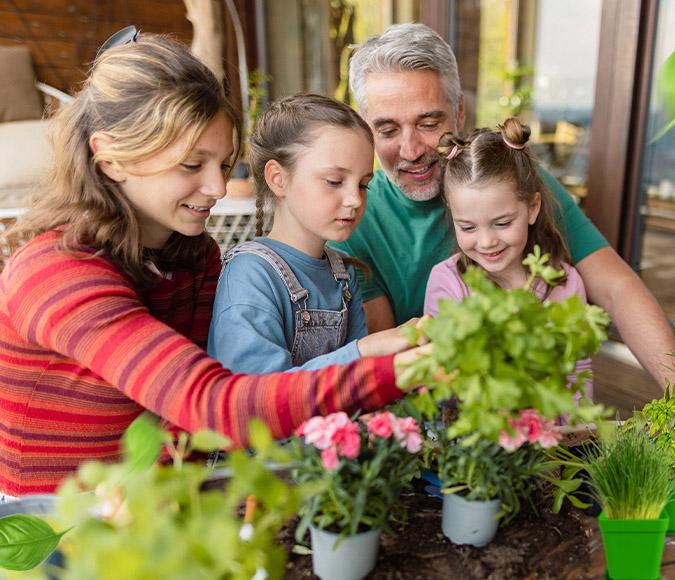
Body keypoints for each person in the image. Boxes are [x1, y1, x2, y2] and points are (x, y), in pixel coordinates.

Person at [0, 33, 426, 496]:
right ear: (110, 160)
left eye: (223, 165)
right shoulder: (54, 272)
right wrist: (394, 368)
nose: (218, 189)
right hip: (61, 536)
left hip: (168, 507)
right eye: (191, 165)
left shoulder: (195, 256)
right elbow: (212, 404)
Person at [331, 22, 674, 386]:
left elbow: (617, 288)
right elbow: (394, 360)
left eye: (429, 123)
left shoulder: (517, 183)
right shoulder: (353, 220)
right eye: (387, 131)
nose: (411, 150)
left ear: (459, 112)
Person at [208, 94, 412, 374]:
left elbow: (357, 384)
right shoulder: (250, 275)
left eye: (363, 184)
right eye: (334, 181)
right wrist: (364, 351)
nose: (354, 199)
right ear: (278, 179)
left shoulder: (344, 275)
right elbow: (254, 394)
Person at [424, 118, 592, 398]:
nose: (487, 241)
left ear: (532, 208)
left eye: (502, 223)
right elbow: (441, 377)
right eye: (467, 227)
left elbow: (578, 375)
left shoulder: (566, 283)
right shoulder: (448, 282)